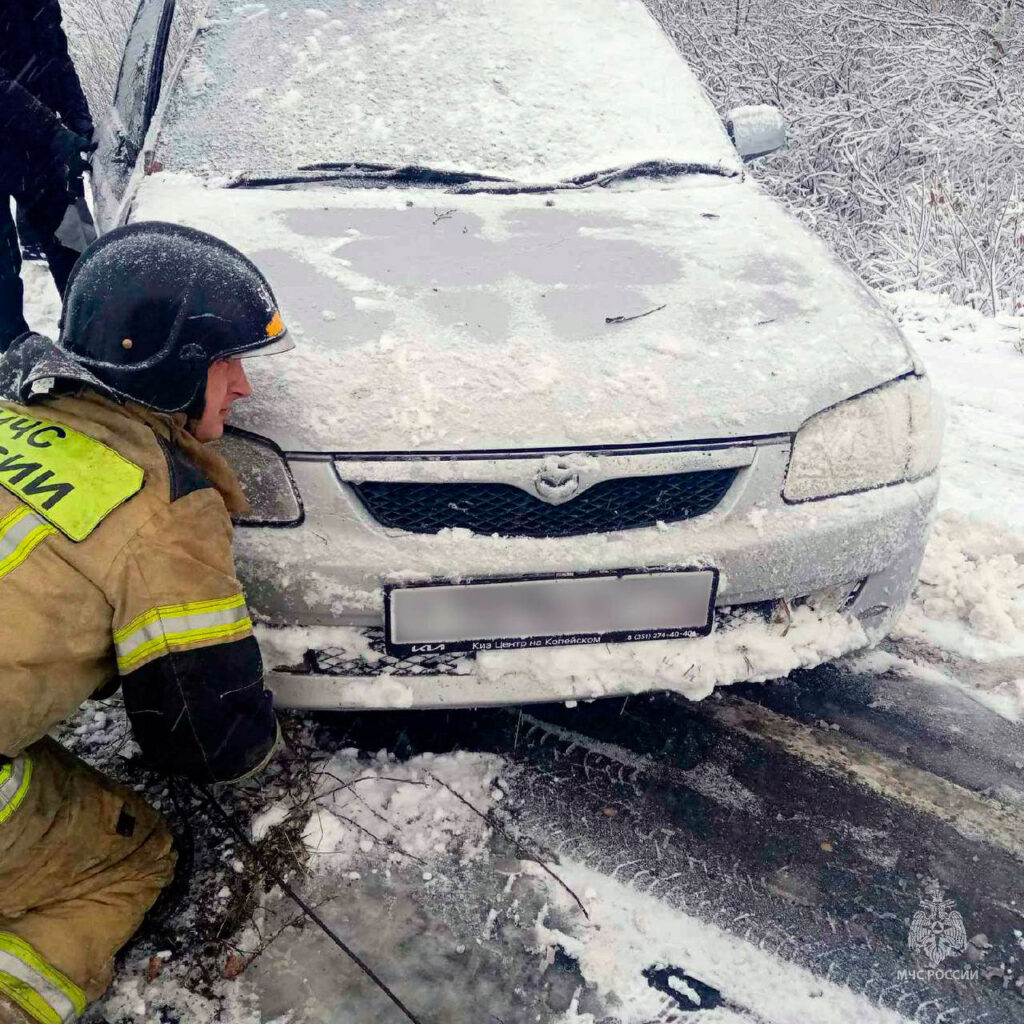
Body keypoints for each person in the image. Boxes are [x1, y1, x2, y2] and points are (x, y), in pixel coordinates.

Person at [0, 221, 293, 1024]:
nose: (244, 389)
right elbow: (202, 742)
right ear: (170, 369)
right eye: (226, 362)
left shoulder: (10, 419)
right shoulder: (162, 508)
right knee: (133, 854)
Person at [1, 0, 96, 351]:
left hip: (33, 146)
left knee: (72, 249)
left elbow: (55, 56)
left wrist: (78, 117)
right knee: (1, 277)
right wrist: (54, 131)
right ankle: (13, 359)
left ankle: (88, 348)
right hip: (35, 133)